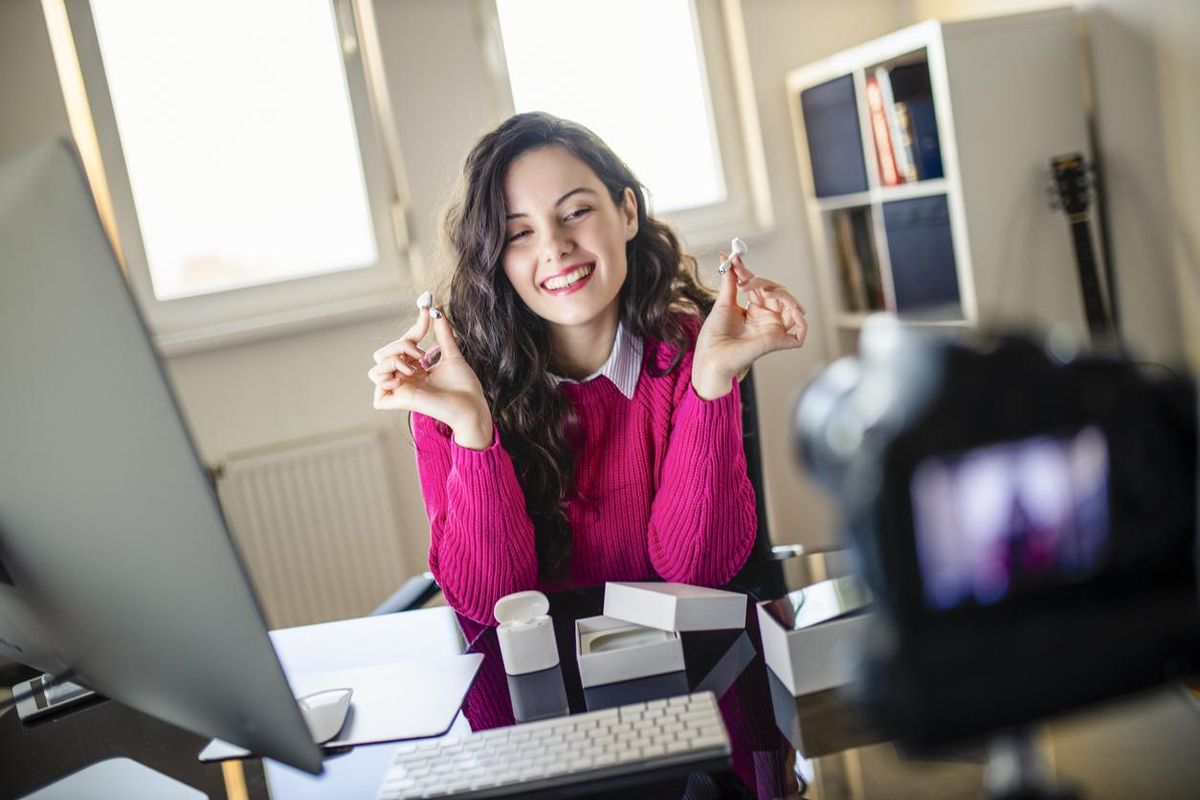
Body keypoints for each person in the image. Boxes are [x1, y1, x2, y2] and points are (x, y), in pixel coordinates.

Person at [368, 113, 806, 625]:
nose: (554, 246)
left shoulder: (693, 349)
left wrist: (709, 382)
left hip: (677, 663)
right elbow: (493, 607)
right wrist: (472, 429)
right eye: (520, 234)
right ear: (495, 258)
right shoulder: (453, 386)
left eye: (575, 212)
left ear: (626, 212)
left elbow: (701, 575)